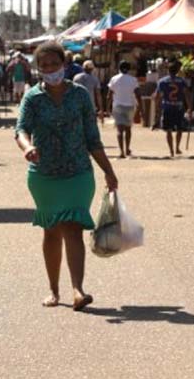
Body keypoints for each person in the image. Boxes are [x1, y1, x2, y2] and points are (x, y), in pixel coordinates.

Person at [15, 40, 118, 311]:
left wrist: (108, 171)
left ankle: (78, 290)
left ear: (64, 64)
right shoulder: (32, 97)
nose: (50, 69)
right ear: (38, 69)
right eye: (44, 65)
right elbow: (21, 129)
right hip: (44, 174)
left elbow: (92, 138)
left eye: (54, 63)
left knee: (73, 227)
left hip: (78, 173)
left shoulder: (81, 95)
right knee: (51, 231)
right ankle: (53, 289)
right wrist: (28, 148)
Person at [154, 59, 192, 156]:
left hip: (167, 107)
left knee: (168, 130)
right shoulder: (181, 81)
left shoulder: (162, 81)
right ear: (177, 71)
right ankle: (177, 147)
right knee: (179, 129)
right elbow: (187, 94)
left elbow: (157, 95)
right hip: (179, 107)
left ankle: (171, 150)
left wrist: (157, 107)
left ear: (168, 71)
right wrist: (190, 107)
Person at [108, 61, 139, 158]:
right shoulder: (133, 80)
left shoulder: (114, 79)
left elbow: (109, 95)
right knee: (128, 129)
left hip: (117, 106)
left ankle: (121, 151)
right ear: (129, 69)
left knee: (119, 130)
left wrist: (106, 107)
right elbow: (138, 93)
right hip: (130, 105)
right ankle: (127, 149)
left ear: (119, 68)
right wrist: (140, 106)